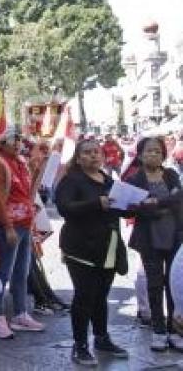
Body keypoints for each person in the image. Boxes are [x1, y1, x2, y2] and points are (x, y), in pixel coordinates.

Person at [55, 138, 129, 365]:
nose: (93, 156)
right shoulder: (72, 180)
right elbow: (64, 208)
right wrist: (97, 203)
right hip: (80, 248)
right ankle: (80, 345)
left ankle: (101, 337)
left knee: (101, 296)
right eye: (87, 152)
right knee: (84, 296)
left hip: (108, 246)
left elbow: (118, 209)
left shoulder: (109, 180)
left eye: (96, 152)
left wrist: (134, 204)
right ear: (78, 158)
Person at [0, 126, 45, 339]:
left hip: (24, 224)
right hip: (8, 225)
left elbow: (29, 195)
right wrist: (8, 227)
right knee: (4, 273)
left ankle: (20, 314)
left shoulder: (20, 163)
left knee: (22, 271)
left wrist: (38, 171)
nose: (19, 143)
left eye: (20, 139)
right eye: (14, 139)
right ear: (2, 143)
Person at [125, 136, 183, 351]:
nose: (153, 155)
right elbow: (129, 208)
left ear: (163, 155)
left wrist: (155, 202)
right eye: (149, 151)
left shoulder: (171, 174)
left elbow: (179, 198)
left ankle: (175, 329)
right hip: (149, 237)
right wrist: (150, 206)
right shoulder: (134, 179)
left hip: (175, 234)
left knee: (175, 284)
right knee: (155, 283)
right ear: (140, 155)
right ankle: (158, 330)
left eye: (157, 151)